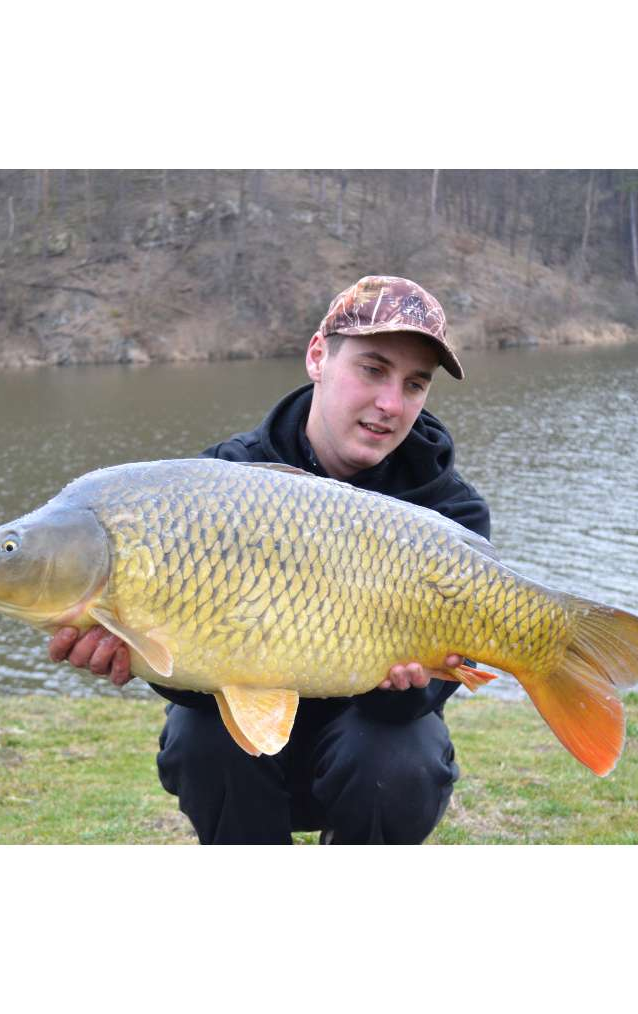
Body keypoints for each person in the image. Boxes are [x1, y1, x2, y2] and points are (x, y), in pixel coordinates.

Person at [48, 276, 491, 844]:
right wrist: (132, 654)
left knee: (401, 759)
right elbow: (190, 677)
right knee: (200, 740)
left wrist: (409, 689)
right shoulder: (217, 482)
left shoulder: (451, 510)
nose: (390, 404)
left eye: (415, 384)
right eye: (372, 370)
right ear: (318, 357)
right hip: (245, 753)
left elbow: (438, 687)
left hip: (369, 750)